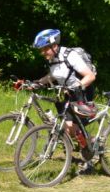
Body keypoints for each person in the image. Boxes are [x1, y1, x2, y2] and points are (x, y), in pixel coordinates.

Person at [32, 28, 97, 173]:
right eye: (41, 50)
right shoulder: (53, 59)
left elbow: (90, 76)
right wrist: (37, 82)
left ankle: (90, 158)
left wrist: (77, 87)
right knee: (69, 128)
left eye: (44, 49)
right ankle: (88, 146)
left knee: (75, 127)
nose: (42, 53)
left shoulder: (70, 55)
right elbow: (54, 75)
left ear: (54, 46)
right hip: (68, 93)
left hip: (82, 93)